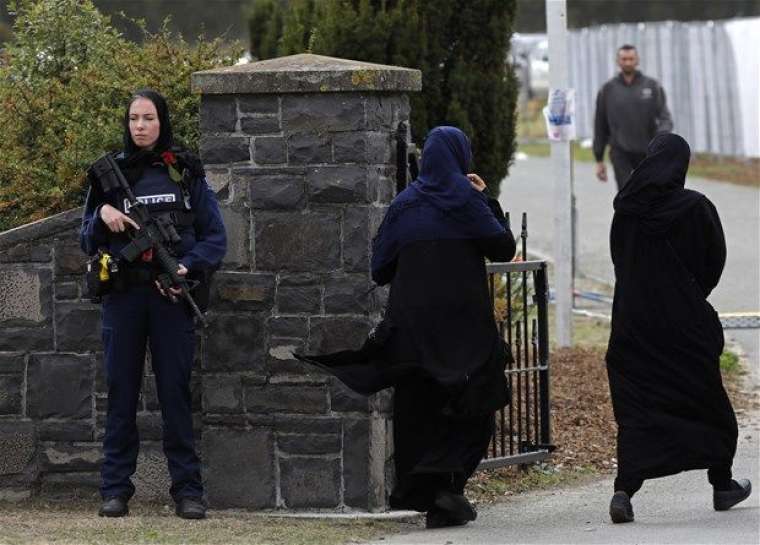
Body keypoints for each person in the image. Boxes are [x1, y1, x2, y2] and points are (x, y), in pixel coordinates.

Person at [297, 126, 516, 528]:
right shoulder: (467, 200)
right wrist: (485, 197)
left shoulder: (405, 204)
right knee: (474, 402)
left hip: (414, 328)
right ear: (459, 157)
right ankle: (450, 489)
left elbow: (380, 267)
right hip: (465, 329)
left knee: (420, 409)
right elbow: (503, 246)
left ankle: (433, 495)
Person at [80, 89, 227, 519]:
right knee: (121, 392)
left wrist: (186, 268)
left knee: (175, 394)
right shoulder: (109, 177)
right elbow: (85, 238)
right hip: (123, 298)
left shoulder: (184, 171)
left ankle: (187, 491)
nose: (140, 126)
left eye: (148, 118)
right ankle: (115, 489)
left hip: (170, 298)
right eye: (133, 119)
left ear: (162, 121)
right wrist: (102, 215)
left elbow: (215, 238)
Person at [605, 133, 751, 524]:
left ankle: (625, 490)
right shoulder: (696, 208)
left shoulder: (626, 210)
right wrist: (688, 293)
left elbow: (620, 261)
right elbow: (712, 263)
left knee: (637, 409)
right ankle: (722, 484)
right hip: (684, 325)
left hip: (633, 324)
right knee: (705, 400)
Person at [593, 44, 673, 190]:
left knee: (649, 193)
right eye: (624, 59)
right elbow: (600, 125)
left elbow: (665, 118)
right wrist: (599, 159)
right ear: (618, 61)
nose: (628, 62)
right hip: (620, 151)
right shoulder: (608, 89)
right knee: (626, 194)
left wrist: (662, 139)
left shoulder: (652, 86)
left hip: (647, 151)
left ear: (637, 60)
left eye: (631, 59)